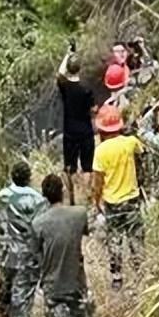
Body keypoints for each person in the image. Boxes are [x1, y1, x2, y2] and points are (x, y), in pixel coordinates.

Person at [0, 159, 48, 317]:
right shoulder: (37, 199)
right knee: (22, 293)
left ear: (11, 177)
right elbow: (41, 228)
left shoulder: (1, 196)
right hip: (26, 253)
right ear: (29, 178)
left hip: (6, 251)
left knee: (6, 284)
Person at [91, 105, 145, 290]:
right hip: (132, 199)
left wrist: (96, 201)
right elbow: (142, 151)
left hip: (111, 202)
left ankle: (117, 277)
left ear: (101, 129)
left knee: (114, 239)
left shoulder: (100, 151)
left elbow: (98, 181)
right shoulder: (130, 142)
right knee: (135, 238)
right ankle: (141, 273)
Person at [31, 173, 91, 317]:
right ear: (63, 191)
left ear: (44, 196)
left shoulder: (38, 224)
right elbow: (84, 232)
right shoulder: (80, 214)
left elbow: (35, 256)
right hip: (76, 286)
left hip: (53, 290)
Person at [56, 45, 96, 205]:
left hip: (69, 132)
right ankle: (85, 198)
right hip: (85, 131)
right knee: (87, 166)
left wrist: (67, 54)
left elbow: (60, 73)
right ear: (80, 69)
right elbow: (93, 110)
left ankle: (72, 198)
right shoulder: (86, 89)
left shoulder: (64, 86)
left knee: (70, 167)